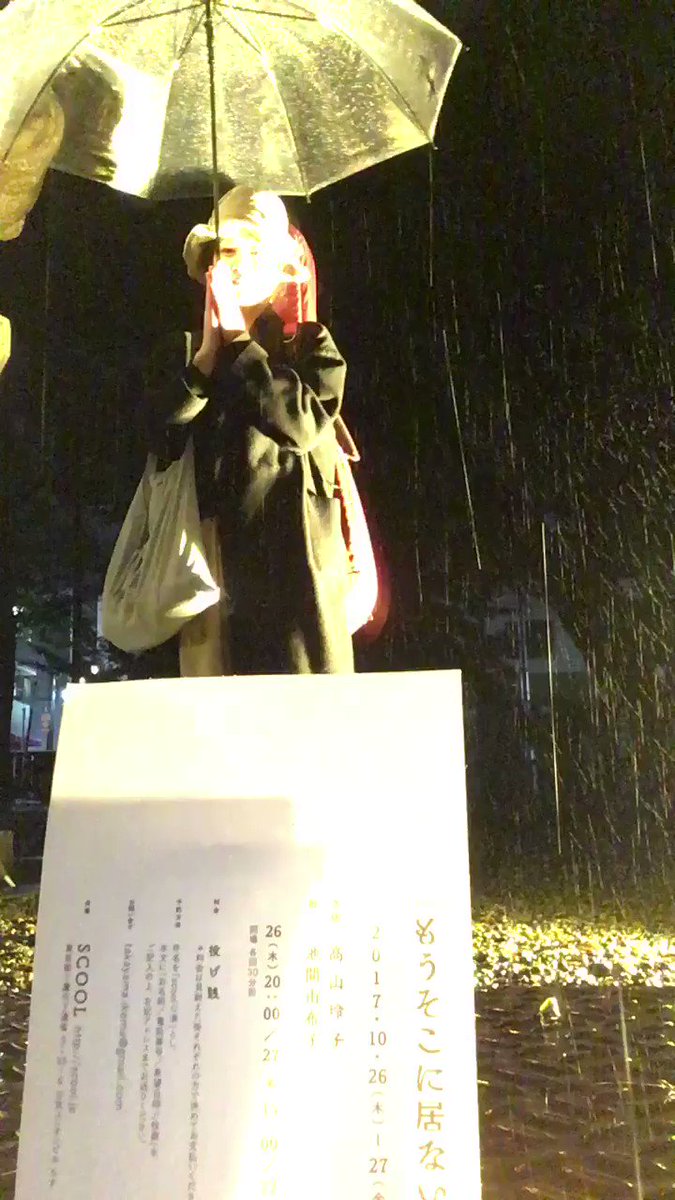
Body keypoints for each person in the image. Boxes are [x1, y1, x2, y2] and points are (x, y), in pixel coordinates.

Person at [144, 185, 355, 675]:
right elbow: (159, 439)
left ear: (279, 265)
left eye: (246, 251)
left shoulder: (309, 346)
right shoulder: (185, 353)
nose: (230, 266)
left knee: (299, 711)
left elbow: (300, 424)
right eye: (221, 253)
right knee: (215, 712)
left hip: (298, 575)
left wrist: (240, 343)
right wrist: (204, 360)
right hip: (210, 571)